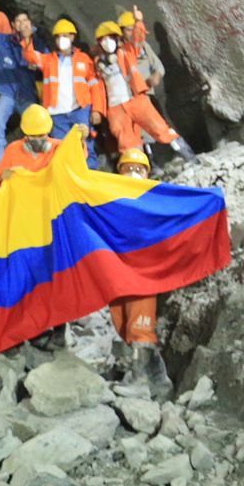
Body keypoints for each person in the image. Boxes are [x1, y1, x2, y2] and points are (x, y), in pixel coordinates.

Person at [110, 146, 172, 397]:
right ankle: (159, 380)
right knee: (123, 321)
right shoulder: (112, 200)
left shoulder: (154, 200)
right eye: (129, 169)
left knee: (140, 324)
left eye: (139, 169)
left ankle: (139, 381)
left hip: (144, 272)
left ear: (147, 173)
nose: (134, 173)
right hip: (120, 271)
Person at [91, 20, 197, 164]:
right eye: (103, 40)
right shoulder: (98, 64)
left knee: (160, 129)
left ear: (117, 38)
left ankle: (189, 157)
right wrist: (97, 110)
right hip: (116, 109)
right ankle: (139, 172)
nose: (107, 42)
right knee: (127, 145)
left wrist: (139, 22)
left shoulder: (127, 52)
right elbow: (97, 90)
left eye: (110, 38)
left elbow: (138, 39)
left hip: (135, 100)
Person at [19, 17, 99, 167]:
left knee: (86, 145)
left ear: (72, 37)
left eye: (65, 36)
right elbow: (30, 56)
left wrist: (97, 110)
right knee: (62, 149)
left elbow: (95, 85)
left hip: (79, 109)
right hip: (57, 114)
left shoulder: (84, 59)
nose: (62, 39)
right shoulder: (49, 60)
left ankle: (91, 174)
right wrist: (27, 38)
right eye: (59, 36)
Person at [0, 5, 41, 165]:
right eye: (18, 21)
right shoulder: (4, 42)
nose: (22, 24)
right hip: (8, 93)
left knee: (36, 127)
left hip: (26, 94)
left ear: (30, 23)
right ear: (13, 25)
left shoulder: (37, 44)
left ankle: (36, 161)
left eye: (25, 20)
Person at [0, 104, 61, 184]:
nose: (37, 140)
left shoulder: (59, 147)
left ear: (48, 132)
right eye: (33, 136)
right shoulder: (13, 149)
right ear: (25, 134)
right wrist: (2, 177)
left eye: (41, 135)